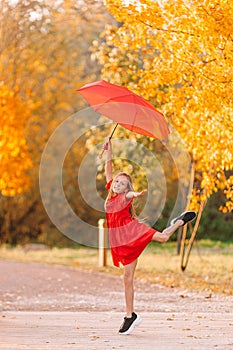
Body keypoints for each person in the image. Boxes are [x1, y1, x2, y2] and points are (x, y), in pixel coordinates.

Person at [103, 140, 197, 335]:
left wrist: (135, 193)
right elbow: (108, 169)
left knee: (163, 238)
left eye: (122, 183)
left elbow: (130, 194)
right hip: (121, 240)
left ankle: (179, 222)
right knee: (127, 278)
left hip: (132, 231)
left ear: (126, 188)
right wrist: (109, 150)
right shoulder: (111, 193)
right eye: (117, 182)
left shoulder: (124, 196)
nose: (118, 184)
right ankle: (130, 316)